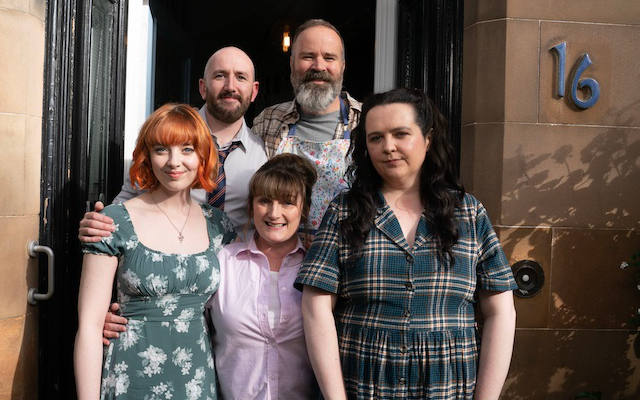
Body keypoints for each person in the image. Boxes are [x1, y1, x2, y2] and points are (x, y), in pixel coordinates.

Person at [296, 88, 517, 399]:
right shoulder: (344, 212)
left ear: (427, 139)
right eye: (375, 138)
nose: (388, 147)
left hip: (448, 389)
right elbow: (315, 306)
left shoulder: (468, 213)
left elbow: (500, 311)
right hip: (364, 386)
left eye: (401, 134)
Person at [74, 103, 236, 399]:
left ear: (202, 155)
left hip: (196, 382)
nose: (174, 162)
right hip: (130, 377)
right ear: (147, 157)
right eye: (162, 149)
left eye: (187, 149)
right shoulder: (113, 221)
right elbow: (89, 326)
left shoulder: (219, 225)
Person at [79, 46, 267, 239]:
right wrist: (100, 225)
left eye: (241, 77)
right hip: (171, 258)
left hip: (236, 265)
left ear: (254, 92)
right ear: (203, 87)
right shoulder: (164, 136)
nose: (230, 86)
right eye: (220, 76)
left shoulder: (263, 154)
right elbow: (128, 200)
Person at [208, 153, 319, 399]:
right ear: (251, 206)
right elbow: (184, 317)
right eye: (265, 201)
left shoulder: (316, 266)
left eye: (287, 202)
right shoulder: (223, 263)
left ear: (304, 209)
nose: (274, 213)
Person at [253, 19, 361, 235]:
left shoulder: (366, 121)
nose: (318, 66)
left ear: (342, 66)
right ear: (292, 63)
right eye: (308, 56)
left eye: (329, 58)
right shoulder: (268, 120)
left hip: (345, 259)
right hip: (280, 258)